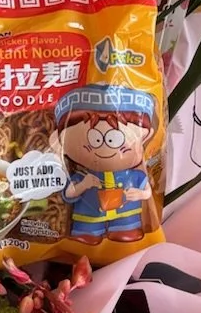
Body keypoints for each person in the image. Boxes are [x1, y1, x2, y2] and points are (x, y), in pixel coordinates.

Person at [54, 84, 158, 244]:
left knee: (126, 225)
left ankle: (125, 229)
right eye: (95, 139)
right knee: (87, 228)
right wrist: (83, 185)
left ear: (146, 137)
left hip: (126, 215)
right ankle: (88, 232)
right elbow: (69, 194)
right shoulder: (83, 176)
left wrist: (141, 194)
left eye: (113, 139)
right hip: (89, 216)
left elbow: (147, 191)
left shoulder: (134, 175)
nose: (104, 147)